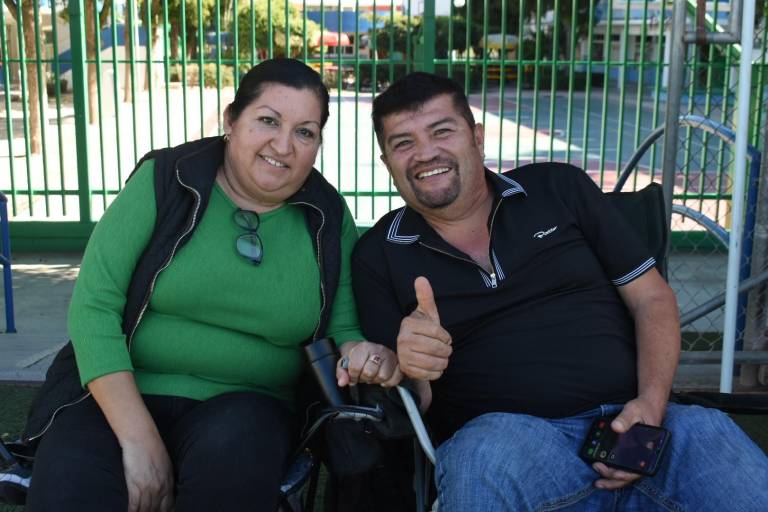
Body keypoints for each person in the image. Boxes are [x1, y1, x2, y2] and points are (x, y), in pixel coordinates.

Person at [352, 72, 768, 511]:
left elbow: (652, 298)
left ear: (476, 137)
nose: (425, 153)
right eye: (403, 143)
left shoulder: (558, 189)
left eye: (442, 131)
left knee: (710, 434)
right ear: (387, 162)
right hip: (513, 449)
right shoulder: (378, 255)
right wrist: (416, 369)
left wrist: (650, 404)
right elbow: (414, 401)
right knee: (481, 454)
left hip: (639, 424)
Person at [24, 58, 399, 512]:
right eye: (267, 120)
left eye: (305, 131)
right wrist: (140, 441)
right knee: (71, 487)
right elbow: (94, 306)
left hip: (250, 406)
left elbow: (343, 330)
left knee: (233, 460)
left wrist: (368, 355)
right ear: (230, 121)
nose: (283, 144)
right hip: (120, 395)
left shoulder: (327, 217)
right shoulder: (165, 180)